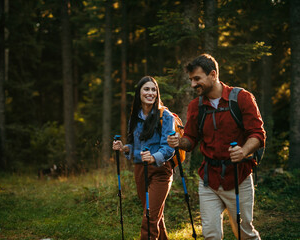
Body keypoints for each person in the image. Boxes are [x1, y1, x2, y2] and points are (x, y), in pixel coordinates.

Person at [167, 54, 266, 240]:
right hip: (209, 180)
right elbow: (190, 139)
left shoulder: (242, 98)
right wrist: (179, 142)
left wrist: (243, 151)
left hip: (239, 176)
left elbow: (258, 134)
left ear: (213, 75)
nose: (193, 84)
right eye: (191, 80)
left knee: (245, 234)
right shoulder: (195, 106)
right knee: (210, 234)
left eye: (197, 79)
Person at [113, 76, 175, 240]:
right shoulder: (135, 117)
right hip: (141, 171)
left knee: (149, 217)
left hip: (161, 171)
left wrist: (153, 157)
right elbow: (135, 147)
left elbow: (169, 148)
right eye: (146, 89)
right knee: (154, 215)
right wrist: (124, 148)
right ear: (139, 93)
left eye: (153, 90)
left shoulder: (166, 116)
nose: (150, 93)